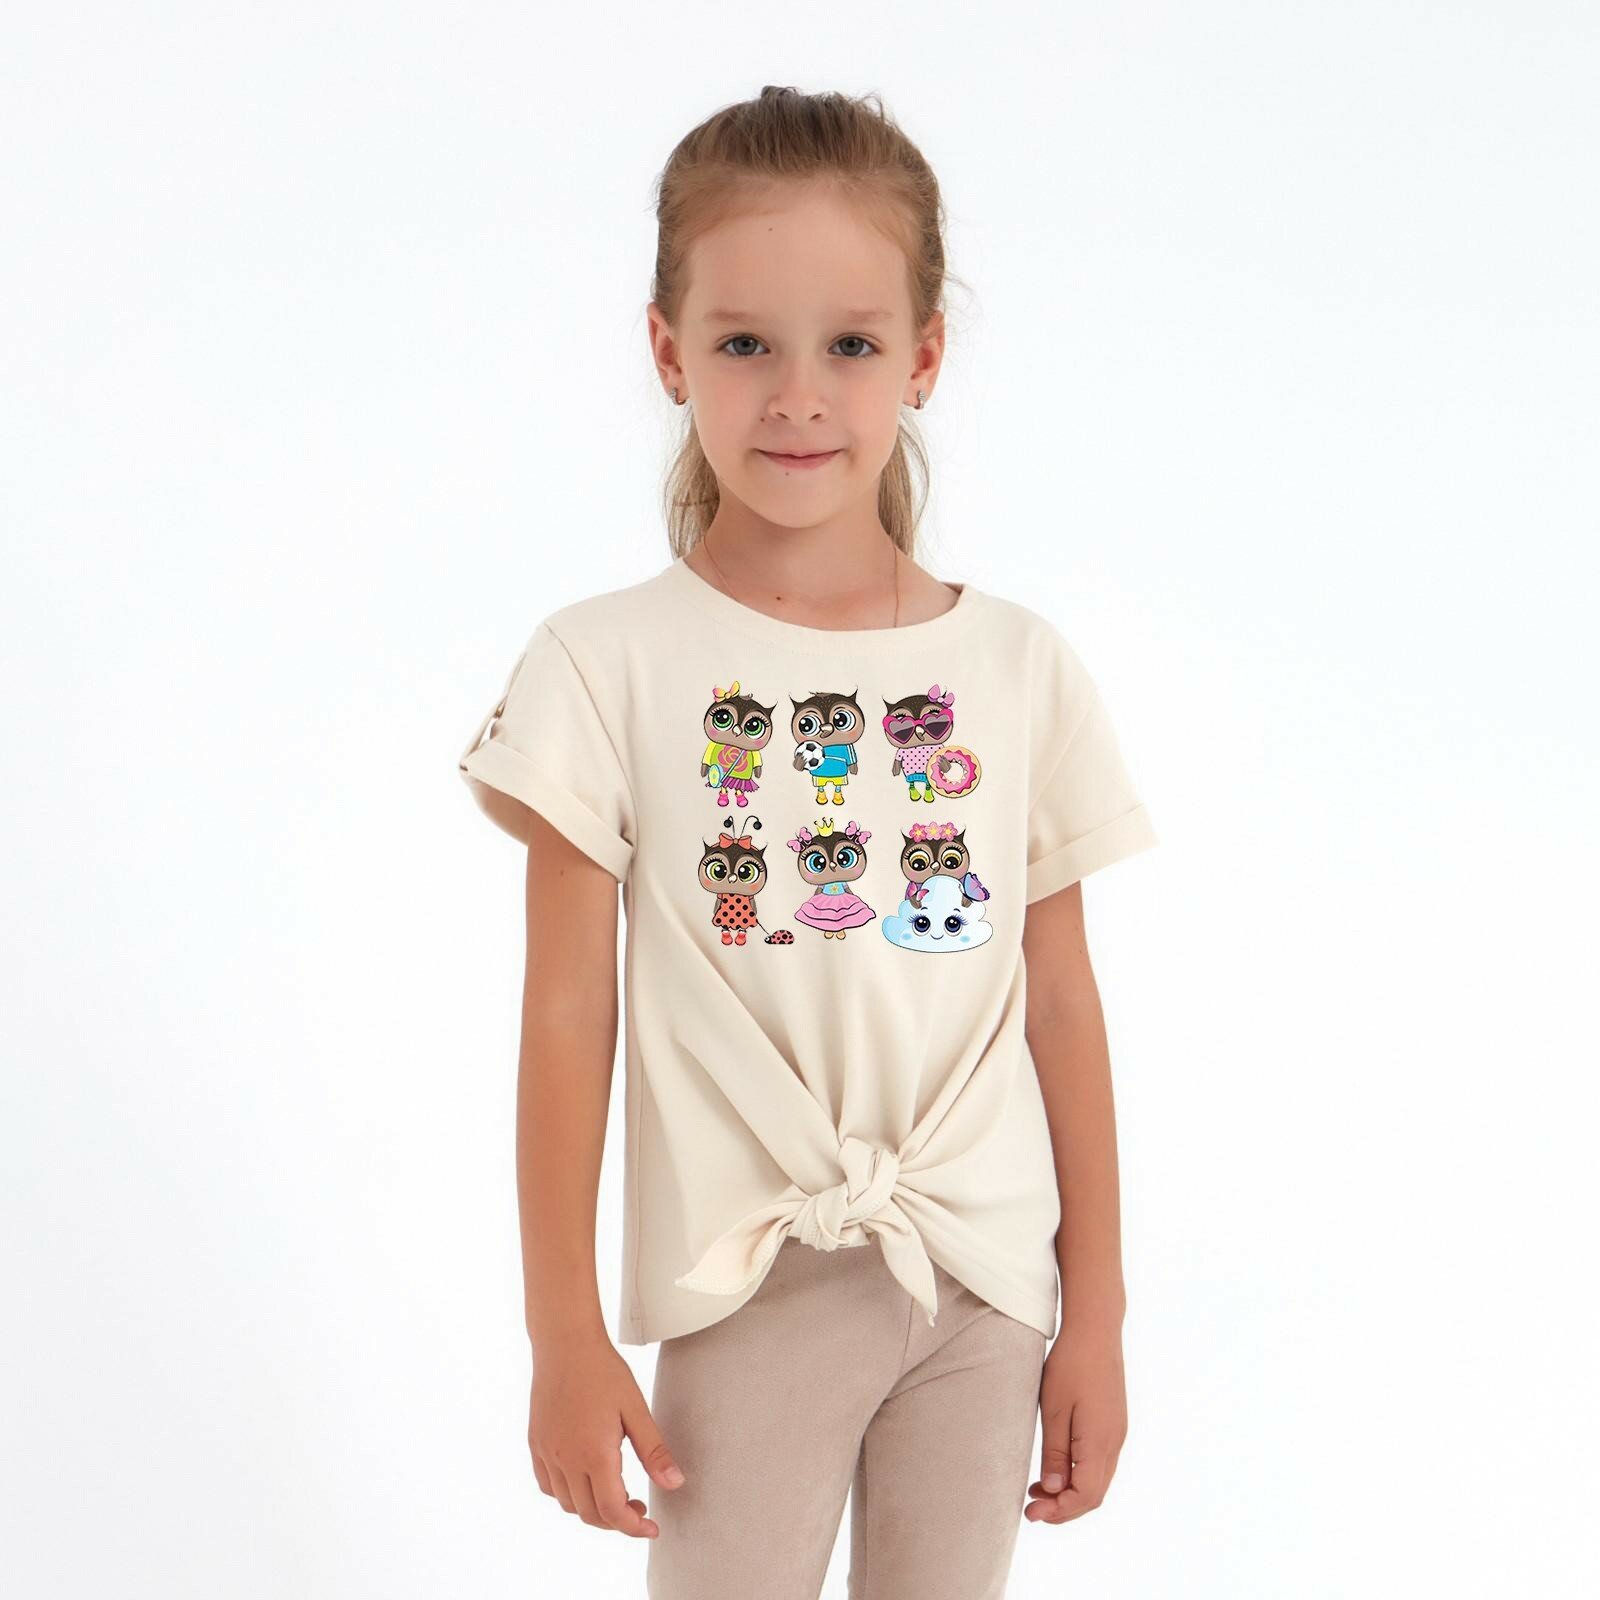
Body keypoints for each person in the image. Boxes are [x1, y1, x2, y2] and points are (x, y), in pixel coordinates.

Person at [457, 85, 1159, 1600]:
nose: (798, 396)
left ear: (923, 355)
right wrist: (563, 1330)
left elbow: (1061, 1002)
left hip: (985, 1285)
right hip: (749, 1283)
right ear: (668, 352)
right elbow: (567, 1016)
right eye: (743, 345)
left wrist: (1095, 1316)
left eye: (849, 344)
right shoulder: (605, 664)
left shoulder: (1018, 667)